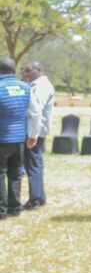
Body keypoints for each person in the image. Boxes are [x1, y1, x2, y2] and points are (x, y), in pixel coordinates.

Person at [0, 58, 37, 219]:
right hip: (19, 139)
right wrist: (33, 135)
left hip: (2, 139)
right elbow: (35, 113)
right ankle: (15, 208)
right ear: (14, 70)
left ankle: (1, 210)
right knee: (15, 174)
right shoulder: (25, 87)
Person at [21, 61, 55, 210]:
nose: (25, 74)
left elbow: (36, 110)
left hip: (35, 131)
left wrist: (32, 134)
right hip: (36, 130)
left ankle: (35, 200)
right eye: (23, 71)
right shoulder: (36, 84)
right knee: (36, 164)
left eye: (29, 70)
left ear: (39, 70)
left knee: (33, 165)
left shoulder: (41, 86)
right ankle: (39, 198)